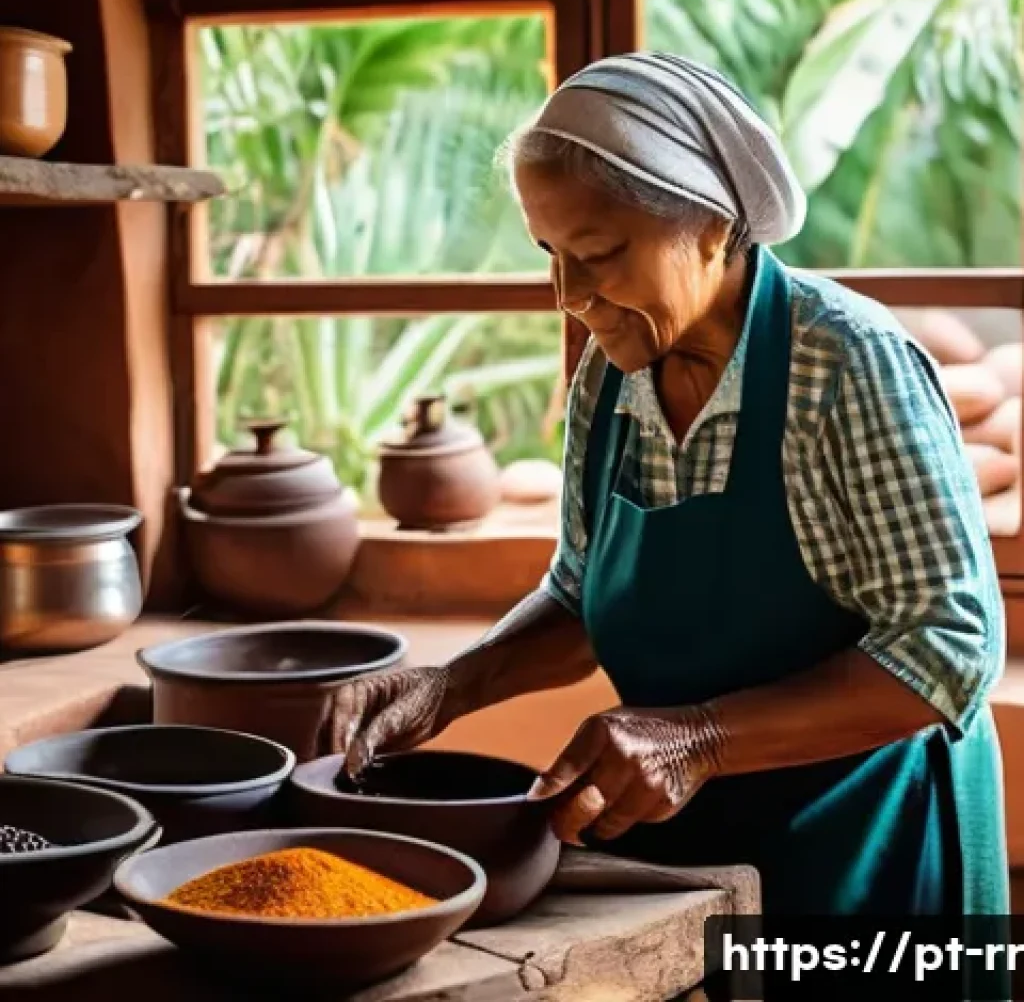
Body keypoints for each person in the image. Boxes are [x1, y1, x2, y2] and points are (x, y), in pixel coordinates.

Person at [325, 52, 1008, 935]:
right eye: (550, 255)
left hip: (873, 847)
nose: (570, 297)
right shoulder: (611, 377)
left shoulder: (846, 365)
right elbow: (580, 595)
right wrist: (452, 687)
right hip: (702, 842)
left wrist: (699, 738)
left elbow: (948, 646)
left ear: (713, 230)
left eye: (600, 255)